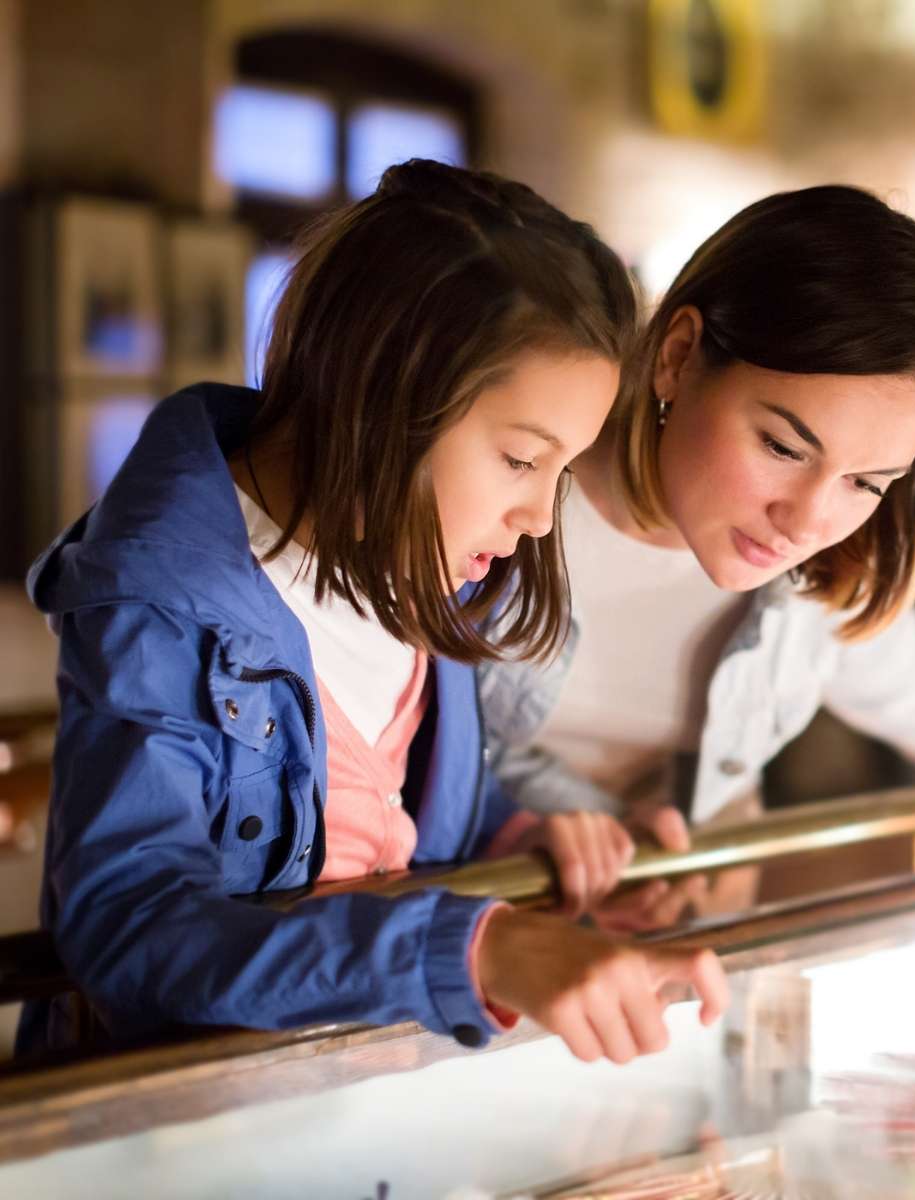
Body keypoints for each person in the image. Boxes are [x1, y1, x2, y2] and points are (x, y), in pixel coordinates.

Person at [21, 160, 726, 1065]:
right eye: (520, 460)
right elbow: (132, 930)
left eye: (562, 470)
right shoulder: (161, 607)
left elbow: (384, 816)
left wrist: (523, 842)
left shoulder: (426, 568)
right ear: (382, 396)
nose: (541, 518)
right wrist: (478, 947)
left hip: (353, 1110)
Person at [478, 185, 915, 922]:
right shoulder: (499, 513)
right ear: (678, 356)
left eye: (867, 482)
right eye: (782, 446)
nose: (808, 519)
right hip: (476, 937)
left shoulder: (819, 582)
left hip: (664, 947)